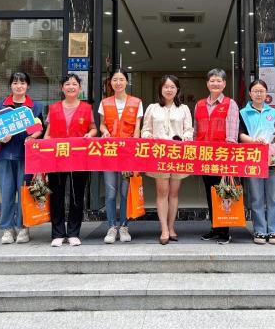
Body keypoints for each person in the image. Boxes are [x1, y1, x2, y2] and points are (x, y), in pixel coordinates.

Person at [44, 73, 97, 247]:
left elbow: (93, 129)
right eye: (67, 84)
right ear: (62, 88)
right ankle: (58, 233)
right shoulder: (54, 108)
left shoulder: (86, 108)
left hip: (79, 157)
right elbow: (48, 133)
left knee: (77, 195)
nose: (71, 87)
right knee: (57, 195)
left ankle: (74, 232)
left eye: (74, 84)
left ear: (79, 88)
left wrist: (90, 134)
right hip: (57, 157)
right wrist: (42, 146)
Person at [141, 75, 194, 244]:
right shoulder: (152, 108)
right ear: (160, 89)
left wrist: (186, 137)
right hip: (159, 154)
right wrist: (148, 136)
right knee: (162, 192)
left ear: (177, 90)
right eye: (166, 87)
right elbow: (145, 129)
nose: (169, 90)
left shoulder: (184, 108)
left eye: (172, 87)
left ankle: (171, 227)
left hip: (178, 154)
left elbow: (189, 129)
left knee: (174, 193)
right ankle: (164, 228)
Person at [0, 71, 43, 244]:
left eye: (22, 83)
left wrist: (34, 136)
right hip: (5, 155)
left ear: (28, 86)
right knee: (6, 193)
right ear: (10, 86)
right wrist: (0, 136)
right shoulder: (0, 106)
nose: (19, 86)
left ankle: (23, 227)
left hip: (26, 156)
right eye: (15, 83)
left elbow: (39, 128)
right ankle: (7, 228)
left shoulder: (36, 107)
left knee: (24, 194)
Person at [194, 68, 240, 245]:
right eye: (212, 80)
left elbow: (232, 135)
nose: (215, 83)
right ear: (207, 83)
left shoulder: (230, 104)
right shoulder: (199, 105)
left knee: (224, 192)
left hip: (222, 157)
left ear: (224, 84)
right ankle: (215, 227)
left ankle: (224, 230)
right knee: (210, 191)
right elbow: (196, 131)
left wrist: (228, 159)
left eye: (219, 81)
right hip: (205, 157)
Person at [98, 69, 143, 244]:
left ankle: (124, 226)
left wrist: (134, 151)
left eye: (121, 79)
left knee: (125, 193)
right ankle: (111, 227)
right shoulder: (105, 102)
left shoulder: (136, 102)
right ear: (111, 82)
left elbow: (137, 128)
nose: (118, 82)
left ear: (127, 82)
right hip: (110, 152)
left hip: (127, 153)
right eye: (115, 79)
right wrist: (105, 132)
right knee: (110, 193)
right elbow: (102, 125)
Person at [239, 79, 275, 245]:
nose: (258, 94)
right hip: (253, 158)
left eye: (261, 91)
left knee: (273, 197)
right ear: (250, 94)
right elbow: (240, 135)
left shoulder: (273, 112)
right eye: (255, 91)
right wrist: (254, 140)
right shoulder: (243, 113)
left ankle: (274, 230)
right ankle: (260, 230)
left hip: (273, 158)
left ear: (266, 94)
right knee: (256, 197)